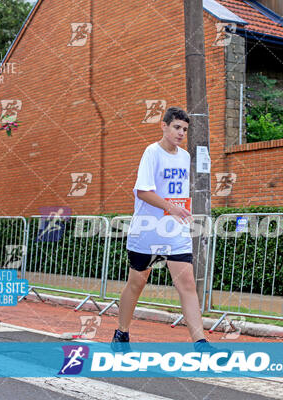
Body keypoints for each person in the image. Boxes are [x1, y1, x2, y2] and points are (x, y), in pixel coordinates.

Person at [112, 106, 217, 353]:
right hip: (148, 231)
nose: (181, 133)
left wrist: (181, 210)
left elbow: (178, 192)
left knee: (187, 284)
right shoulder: (152, 152)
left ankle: (200, 343)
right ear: (164, 126)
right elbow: (143, 191)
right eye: (177, 127)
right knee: (137, 283)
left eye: (185, 129)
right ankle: (121, 332)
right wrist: (172, 207)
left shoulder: (184, 157)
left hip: (175, 231)